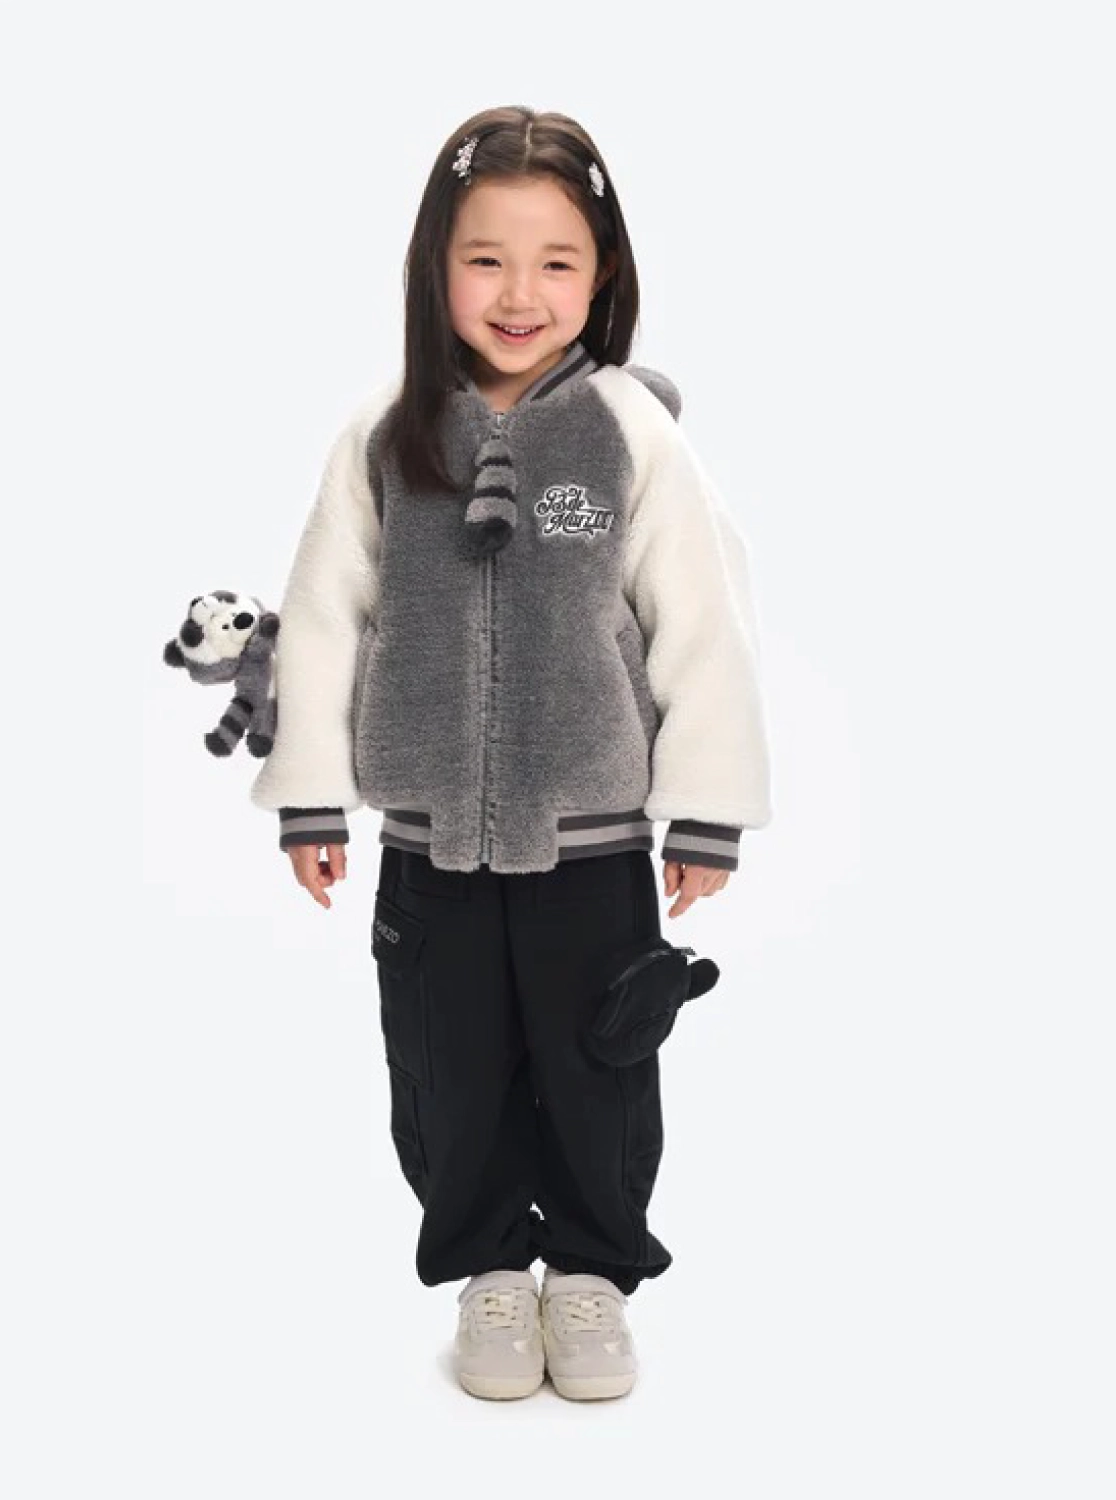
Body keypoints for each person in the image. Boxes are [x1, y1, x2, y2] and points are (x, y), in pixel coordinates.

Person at [249, 105, 773, 1401]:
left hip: (591, 844)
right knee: (449, 1069)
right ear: (435, 266)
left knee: (603, 1061)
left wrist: (705, 811)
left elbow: (701, 619)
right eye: (485, 259)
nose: (519, 293)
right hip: (428, 846)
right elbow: (324, 614)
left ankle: (591, 1271)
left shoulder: (627, 431)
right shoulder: (387, 434)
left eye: (556, 261)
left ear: (603, 272)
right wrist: (311, 796)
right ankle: (487, 1265)